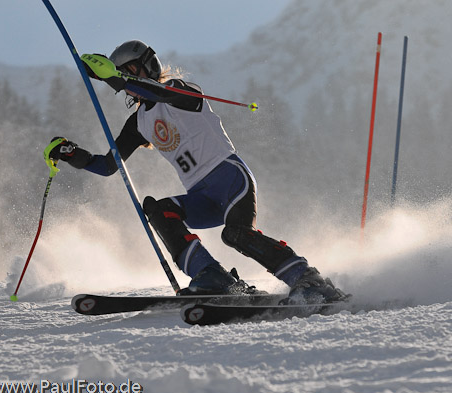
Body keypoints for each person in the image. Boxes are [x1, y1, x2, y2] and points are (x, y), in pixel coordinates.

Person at [49, 40, 347, 303]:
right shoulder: (138, 122)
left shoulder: (181, 91)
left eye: (132, 69)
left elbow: (161, 94)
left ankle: (309, 279)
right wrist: (71, 153)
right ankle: (214, 278)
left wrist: (115, 78)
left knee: (236, 235)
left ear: (149, 67)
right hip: (202, 196)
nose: (128, 77)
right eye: (124, 71)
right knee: (158, 210)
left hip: (231, 180)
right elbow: (108, 165)